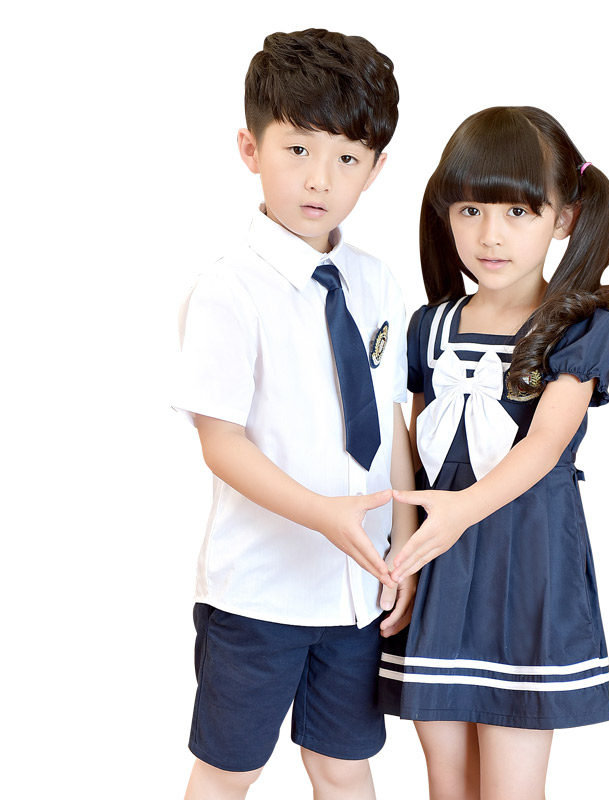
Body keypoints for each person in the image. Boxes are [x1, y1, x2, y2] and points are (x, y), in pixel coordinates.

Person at [172, 29, 417, 800]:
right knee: (230, 770)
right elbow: (220, 441)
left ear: (376, 168)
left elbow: (390, 419)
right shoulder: (230, 289)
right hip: (258, 594)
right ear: (251, 148)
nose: (320, 178)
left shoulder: (376, 281)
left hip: (357, 592)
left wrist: (403, 548)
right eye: (299, 149)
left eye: (347, 158)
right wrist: (322, 513)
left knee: (343, 767)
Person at [378, 106, 609, 800]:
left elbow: (545, 445)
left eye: (518, 211)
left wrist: (456, 515)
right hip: (440, 566)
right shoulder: (429, 326)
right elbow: (415, 452)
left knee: (511, 787)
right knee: (446, 778)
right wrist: (406, 559)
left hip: (525, 563)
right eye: (470, 210)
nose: (490, 235)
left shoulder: (578, 325)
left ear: (565, 218)